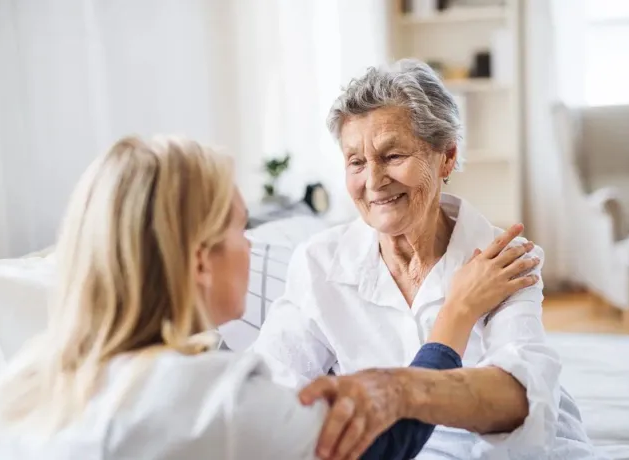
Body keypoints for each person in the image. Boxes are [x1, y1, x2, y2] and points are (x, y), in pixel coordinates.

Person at [0, 136, 539, 460]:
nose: (251, 245)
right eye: (241, 229)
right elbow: (383, 446)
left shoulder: (7, 398)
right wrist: (457, 315)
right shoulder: (217, 401)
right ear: (197, 260)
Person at [253, 59, 604, 459]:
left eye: (392, 155)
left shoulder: (502, 260)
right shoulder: (319, 264)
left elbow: (520, 401)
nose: (373, 181)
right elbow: (270, 391)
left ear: (447, 157)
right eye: (356, 162)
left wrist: (399, 390)